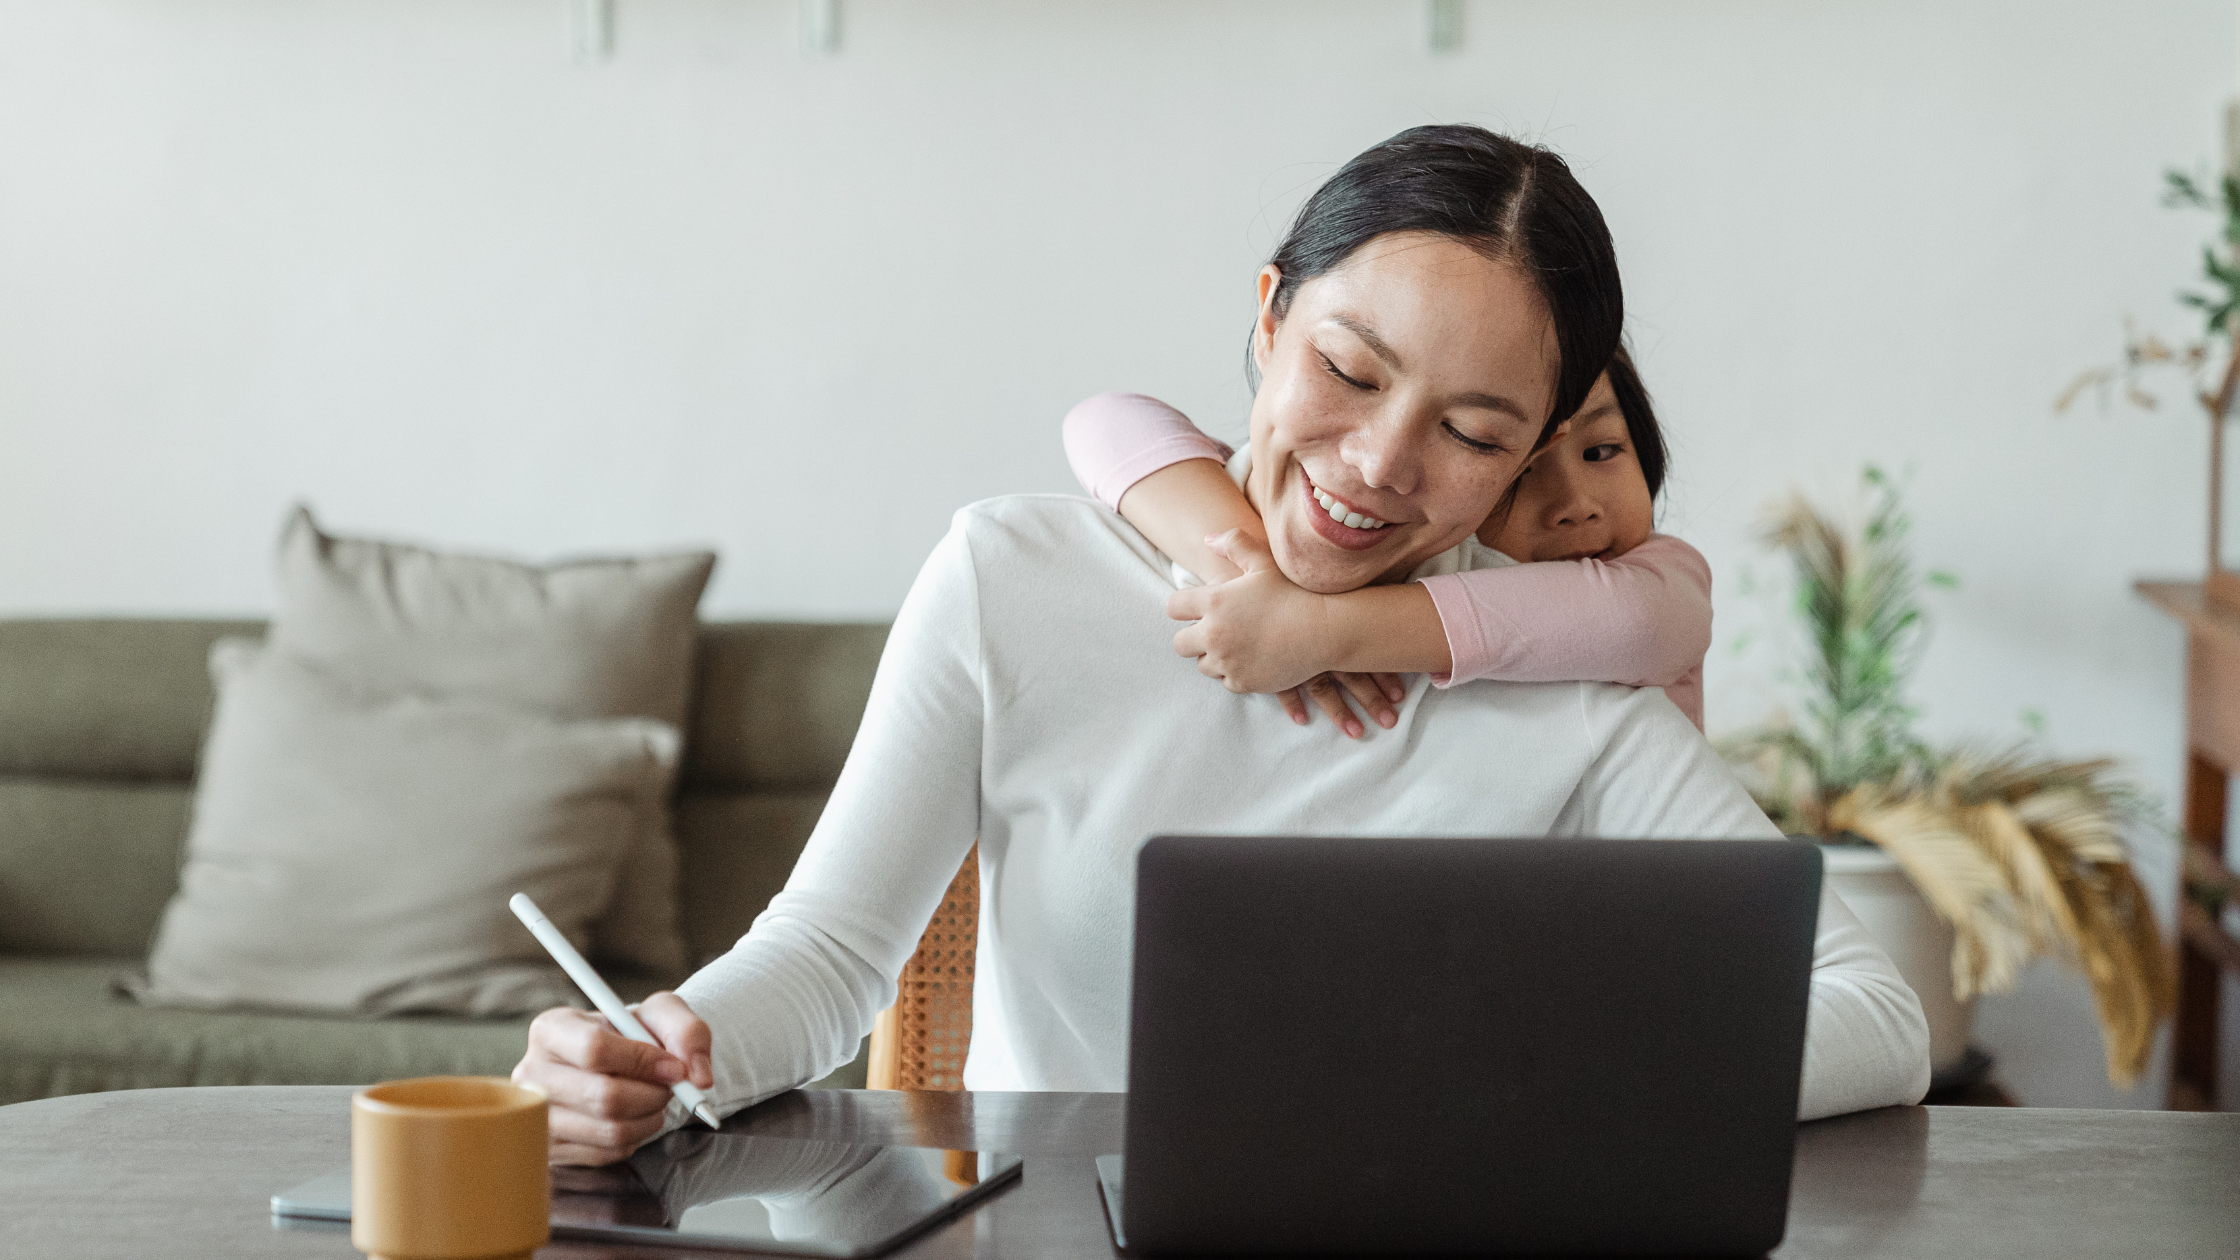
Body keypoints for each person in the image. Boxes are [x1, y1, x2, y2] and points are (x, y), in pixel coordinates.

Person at [514, 124, 1930, 1166]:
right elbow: (827, 959)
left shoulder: (1565, 686)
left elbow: (1877, 1015)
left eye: (1474, 433)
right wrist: (654, 1049)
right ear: (1266, 321)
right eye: (1348, 371)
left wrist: (1558, 1075)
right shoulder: (1015, 580)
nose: (1378, 465)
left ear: (1532, 458)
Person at [1061, 345, 1710, 736]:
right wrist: (1253, 579)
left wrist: (1320, 627)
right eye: (1521, 473)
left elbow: (1636, 622)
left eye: (1603, 451)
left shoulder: (1661, 579)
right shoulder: (1402, 552)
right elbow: (1106, 421)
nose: (1576, 506)